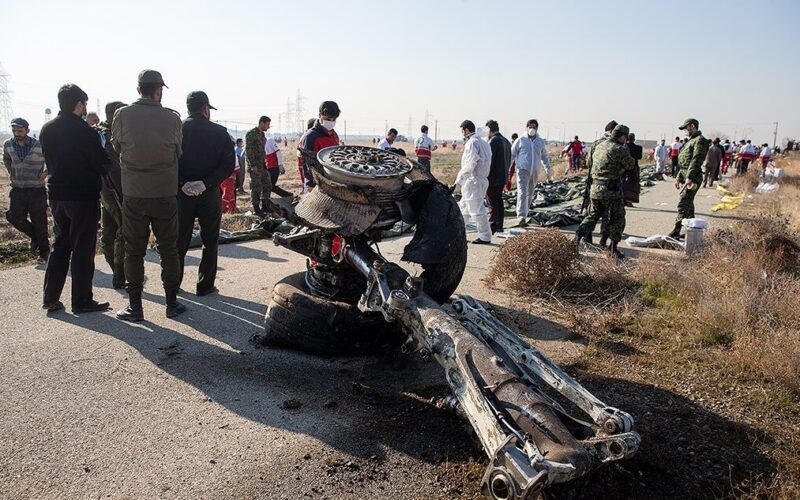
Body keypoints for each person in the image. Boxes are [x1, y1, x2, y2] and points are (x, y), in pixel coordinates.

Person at [112, 69, 184, 321]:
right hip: (165, 193)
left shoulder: (122, 115)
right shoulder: (172, 118)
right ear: (159, 90)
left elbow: (117, 147)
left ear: (138, 89)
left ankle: (135, 307)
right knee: (169, 250)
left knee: (134, 251)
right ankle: (172, 304)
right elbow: (178, 152)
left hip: (134, 194)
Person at [39, 84, 111, 313]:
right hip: (82, 197)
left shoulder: (46, 129)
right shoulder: (85, 132)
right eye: (84, 104)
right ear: (78, 105)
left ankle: (50, 297)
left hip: (57, 195)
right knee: (82, 248)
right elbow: (102, 163)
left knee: (60, 245)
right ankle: (81, 300)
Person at [176, 91, 235, 297]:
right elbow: (228, 165)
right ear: (205, 108)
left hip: (181, 195)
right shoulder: (220, 132)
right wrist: (206, 182)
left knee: (179, 240)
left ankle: (174, 284)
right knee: (210, 240)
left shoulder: (176, 130)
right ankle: (205, 285)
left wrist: (181, 182)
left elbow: (166, 161)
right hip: (209, 193)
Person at [574, 124, 635, 259]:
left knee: (592, 216)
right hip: (611, 190)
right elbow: (630, 165)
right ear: (623, 136)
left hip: (595, 189)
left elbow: (589, 163)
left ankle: (577, 238)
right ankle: (613, 248)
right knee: (617, 218)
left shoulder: (599, 145)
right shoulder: (619, 149)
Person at [3, 117, 50, 264]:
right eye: (14, 130)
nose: (17, 133)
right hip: (18, 188)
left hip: (36, 189)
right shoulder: (8, 144)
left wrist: (46, 172)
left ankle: (44, 252)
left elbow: (52, 158)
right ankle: (35, 237)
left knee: (40, 221)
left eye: (20, 130)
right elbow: (6, 159)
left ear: (27, 130)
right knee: (14, 217)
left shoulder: (39, 145)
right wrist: (11, 170)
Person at [97, 101, 127, 288]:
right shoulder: (104, 136)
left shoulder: (103, 134)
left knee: (112, 232)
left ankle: (118, 272)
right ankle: (118, 272)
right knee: (118, 232)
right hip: (111, 190)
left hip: (113, 190)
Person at [668, 118, 709, 239]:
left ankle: (676, 230)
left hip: (693, 178)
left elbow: (696, 160)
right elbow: (683, 162)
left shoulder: (700, 140)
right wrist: (678, 178)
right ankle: (693, 231)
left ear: (692, 126)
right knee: (688, 205)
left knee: (683, 203)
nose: (685, 131)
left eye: (686, 128)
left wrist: (689, 177)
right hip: (686, 176)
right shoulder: (690, 141)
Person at [456, 120, 492, 244]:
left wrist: (459, 180)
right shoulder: (484, 143)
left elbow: (470, 164)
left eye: (462, 131)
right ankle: (457, 232)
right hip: (480, 179)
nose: (462, 134)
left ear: (466, 130)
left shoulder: (472, 143)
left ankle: (485, 236)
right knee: (464, 208)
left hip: (473, 181)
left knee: (477, 210)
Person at [509, 119, 551, 226]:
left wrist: (548, 171)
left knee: (530, 193)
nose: (532, 129)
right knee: (522, 193)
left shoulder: (540, 141)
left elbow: (544, 157)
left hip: (535, 171)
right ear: (526, 128)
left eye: (534, 127)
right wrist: (508, 169)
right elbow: (512, 155)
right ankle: (521, 216)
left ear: (537, 128)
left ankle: (525, 213)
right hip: (522, 170)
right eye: (530, 127)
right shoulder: (521, 140)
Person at [298, 101, 341, 189]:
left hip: (332, 181)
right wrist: (312, 185)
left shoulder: (334, 135)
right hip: (316, 183)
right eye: (328, 119)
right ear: (319, 115)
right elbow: (308, 166)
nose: (331, 122)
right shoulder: (310, 137)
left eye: (334, 120)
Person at [485, 120, 511, 234]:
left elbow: (489, 161)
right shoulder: (506, 141)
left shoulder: (493, 141)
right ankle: (500, 224)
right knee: (498, 200)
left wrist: (485, 174)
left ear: (489, 130)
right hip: (502, 176)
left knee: (491, 202)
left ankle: (492, 225)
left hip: (493, 177)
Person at [245, 116, 271, 215]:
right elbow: (248, 151)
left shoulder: (262, 134)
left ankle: (265, 205)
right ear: (262, 123)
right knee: (256, 187)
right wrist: (253, 165)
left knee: (267, 184)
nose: (268, 127)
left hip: (262, 165)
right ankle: (256, 208)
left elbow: (262, 149)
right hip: (255, 166)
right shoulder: (251, 134)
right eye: (267, 124)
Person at [264, 129, 292, 197]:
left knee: (270, 186)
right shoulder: (260, 143)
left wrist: (280, 164)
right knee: (269, 186)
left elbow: (278, 152)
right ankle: (287, 195)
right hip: (268, 167)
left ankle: (287, 195)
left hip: (274, 166)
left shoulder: (269, 141)